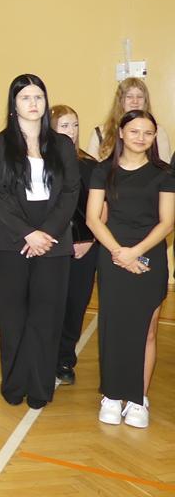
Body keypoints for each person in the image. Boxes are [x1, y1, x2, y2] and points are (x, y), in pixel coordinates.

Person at [0, 74, 79, 409]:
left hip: (54, 239)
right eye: (25, 97)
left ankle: (40, 387)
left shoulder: (62, 145)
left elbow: (71, 192)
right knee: (12, 317)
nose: (33, 103)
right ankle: (14, 384)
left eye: (38, 96)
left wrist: (47, 233)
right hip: (12, 239)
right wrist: (28, 232)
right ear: (14, 104)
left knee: (46, 317)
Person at [86, 110, 173, 428]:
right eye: (134, 131)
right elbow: (93, 218)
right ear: (121, 133)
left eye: (148, 133)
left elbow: (167, 222)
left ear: (154, 137)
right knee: (112, 327)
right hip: (113, 256)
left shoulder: (164, 173)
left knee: (146, 331)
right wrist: (119, 253)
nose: (141, 137)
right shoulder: (102, 171)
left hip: (150, 257)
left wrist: (135, 252)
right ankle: (111, 395)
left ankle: (138, 398)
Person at [49, 104, 99, 386]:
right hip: (50, 247)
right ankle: (44, 355)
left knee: (75, 305)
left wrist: (88, 240)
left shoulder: (89, 165)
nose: (71, 131)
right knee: (49, 304)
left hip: (84, 248)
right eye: (64, 125)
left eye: (75, 125)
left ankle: (65, 359)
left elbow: (100, 208)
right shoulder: (41, 164)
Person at [87, 78, 170, 162]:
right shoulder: (101, 132)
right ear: (120, 101)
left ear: (145, 101)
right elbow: (92, 167)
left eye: (139, 97)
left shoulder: (159, 132)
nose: (135, 101)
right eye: (129, 97)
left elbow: (164, 166)